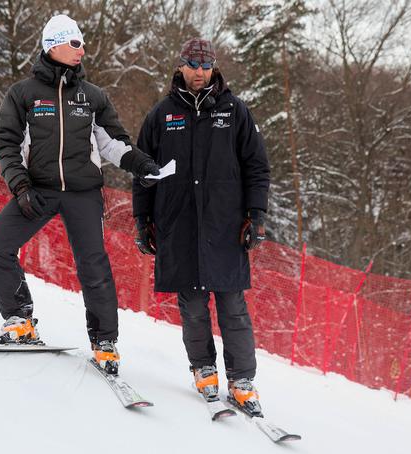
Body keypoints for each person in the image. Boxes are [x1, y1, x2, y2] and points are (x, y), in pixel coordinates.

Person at [0, 14, 159, 375]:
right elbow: (7, 145)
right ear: (54, 46)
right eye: (75, 43)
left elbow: (113, 143)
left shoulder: (92, 96)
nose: (83, 50)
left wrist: (140, 163)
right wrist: (20, 185)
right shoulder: (23, 94)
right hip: (38, 190)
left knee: (93, 266)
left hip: (83, 193)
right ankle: (20, 319)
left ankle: (104, 341)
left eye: (82, 43)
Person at [132, 38, 270, 414]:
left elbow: (257, 166)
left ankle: (241, 380)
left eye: (206, 66)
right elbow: (143, 172)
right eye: (193, 64)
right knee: (192, 306)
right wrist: (142, 220)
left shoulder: (235, 111)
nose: (199, 72)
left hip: (225, 226)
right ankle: (203, 368)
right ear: (180, 66)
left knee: (232, 306)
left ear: (214, 68)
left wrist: (256, 215)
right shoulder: (162, 115)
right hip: (179, 225)